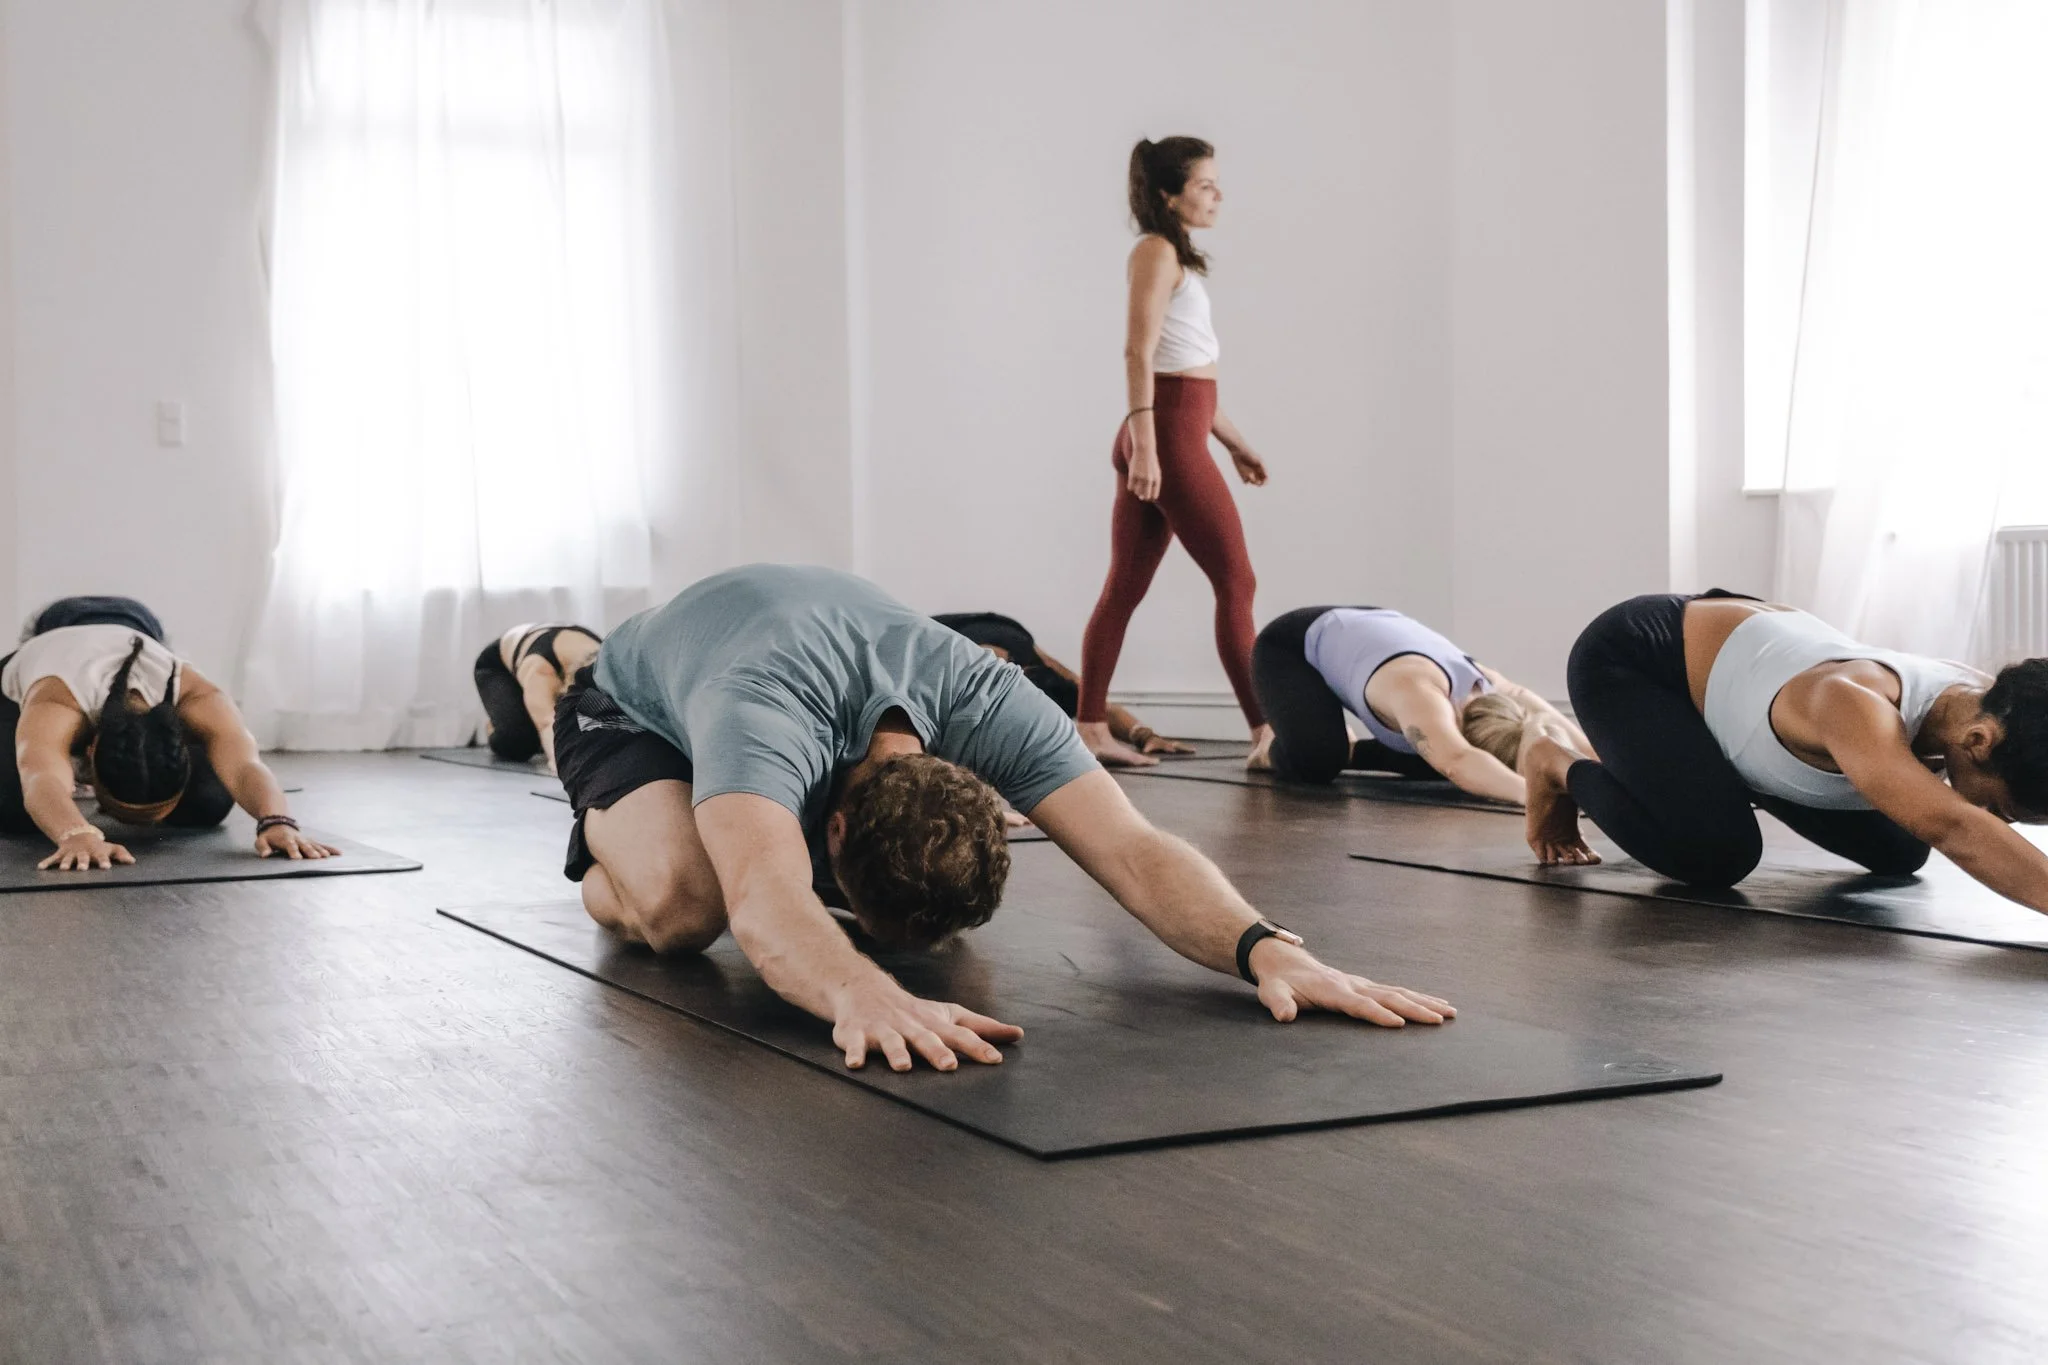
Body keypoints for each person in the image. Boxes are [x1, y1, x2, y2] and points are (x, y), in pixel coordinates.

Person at [554, 564, 1453, 1072]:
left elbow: (1134, 850)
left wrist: (1266, 947)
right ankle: (601, 814)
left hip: (767, 676)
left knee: (857, 907)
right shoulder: (763, 718)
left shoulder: (989, 701)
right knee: (686, 905)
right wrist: (857, 988)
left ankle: (725, 829)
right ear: (835, 831)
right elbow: (761, 896)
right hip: (632, 701)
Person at [1522, 590, 2048, 912]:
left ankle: (1737, 772)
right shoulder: (1853, 703)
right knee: (1715, 857)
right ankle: (1556, 765)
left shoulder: (1993, 704)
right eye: (2002, 809)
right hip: (1639, 658)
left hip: (1749, 670)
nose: (2000, 821)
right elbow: (1955, 827)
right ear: (1978, 742)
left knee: (1900, 852)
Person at [1077, 136, 1272, 770]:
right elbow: (1139, 352)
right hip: (1164, 436)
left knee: (1124, 586)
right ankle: (1266, 732)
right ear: (1169, 195)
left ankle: (1091, 727)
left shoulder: (1175, 257)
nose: (1218, 195)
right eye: (1205, 185)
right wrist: (1146, 445)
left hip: (1174, 427)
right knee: (1236, 580)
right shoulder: (1155, 252)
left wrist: (1235, 443)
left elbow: (1189, 375)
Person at [0, 596, 335, 870]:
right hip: (53, 631)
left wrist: (277, 822)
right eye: (117, 813)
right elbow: (39, 775)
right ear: (89, 753)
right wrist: (75, 833)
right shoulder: (56, 700)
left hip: (138, 623)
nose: (135, 831)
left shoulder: (198, 696)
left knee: (207, 803)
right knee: (14, 811)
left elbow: (246, 764)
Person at [1248, 606, 1589, 804]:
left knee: (1438, 756)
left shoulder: (1500, 690)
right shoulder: (1420, 694)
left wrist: (1600, 779)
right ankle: (1270, 746)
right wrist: (1537, 797)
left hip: (1370, 628)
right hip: (1291, 644)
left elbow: (1575, 741)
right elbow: (1458, 762)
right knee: (1318, 763)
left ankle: (1346, 747)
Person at [933, 611, 1193, 758]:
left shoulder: (1047, 675)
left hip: (993, 633)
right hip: (951, 638)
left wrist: (1144, 735)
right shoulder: (983, 664)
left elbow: (1096, 705)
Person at [473, 623, 603, 771]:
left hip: (553, 648)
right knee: (519, 741)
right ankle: (496, 726)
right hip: (497, 666)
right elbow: (546, 723)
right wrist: (564, 764)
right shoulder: (540, 669)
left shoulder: (609, 659)